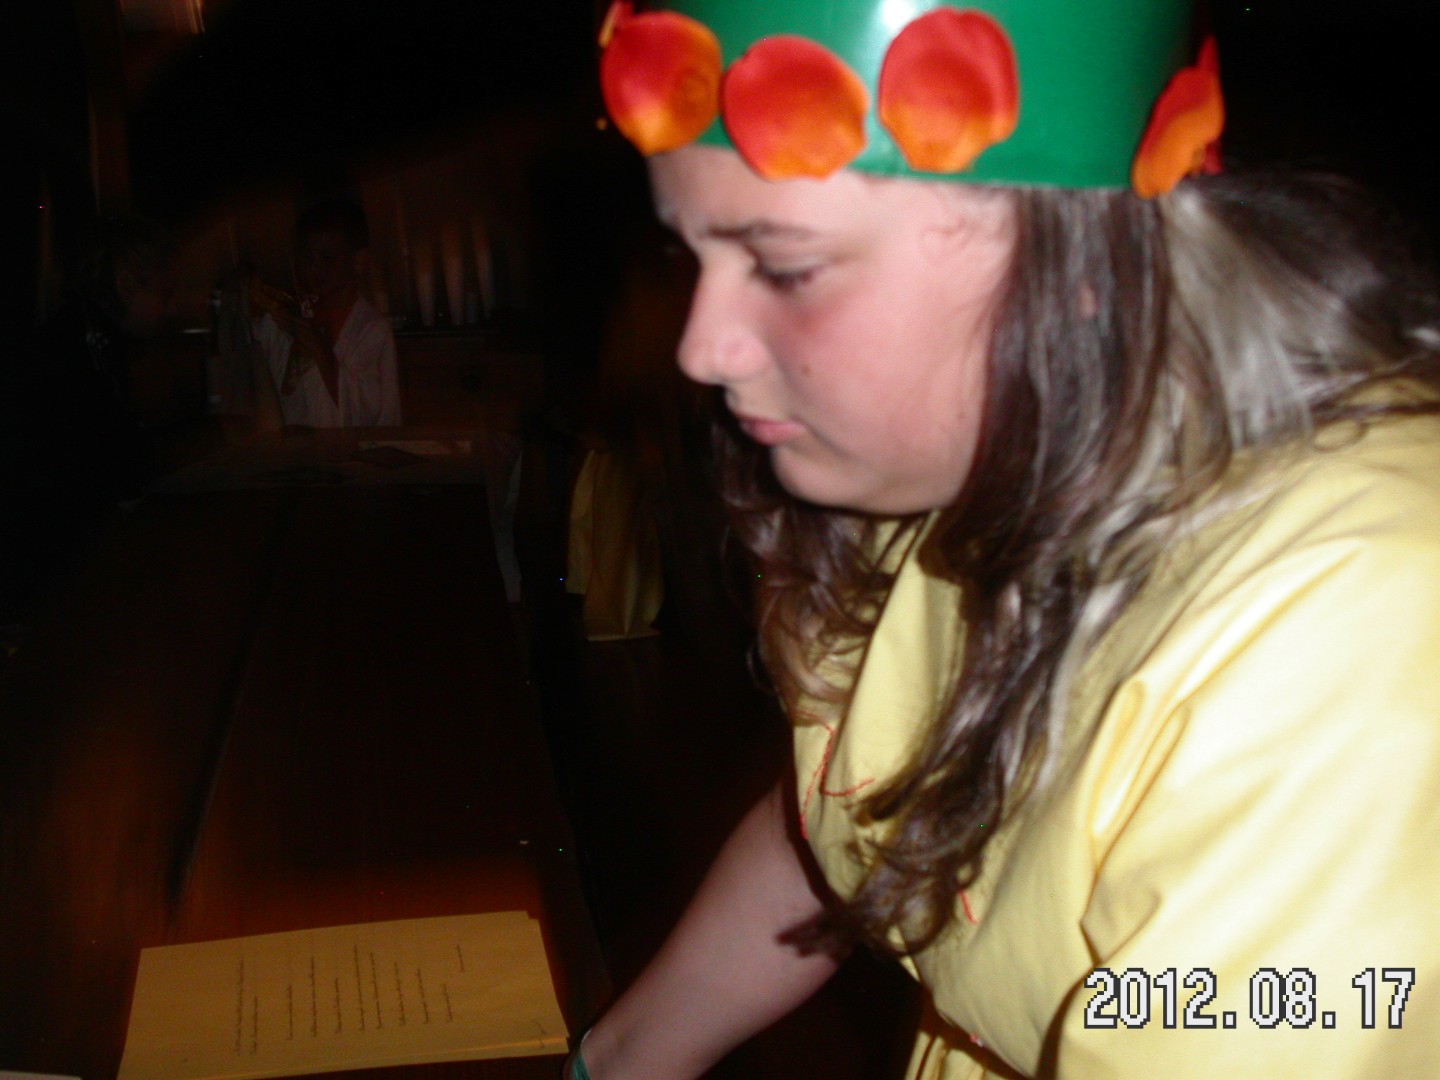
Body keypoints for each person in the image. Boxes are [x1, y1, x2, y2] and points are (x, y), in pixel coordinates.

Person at [568, 1, 1440, 1077]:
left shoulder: (1353, 634)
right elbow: (844, 823)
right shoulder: (963, 463)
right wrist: (608, 1063)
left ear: (1076, 258)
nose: (702, 348)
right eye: (689, 253)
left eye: (786, 267)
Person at [1, 216, 173, 626]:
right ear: (127, 284)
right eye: (165, 293)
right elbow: (121, 460)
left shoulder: (84, 333)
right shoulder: (82, 347)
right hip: (36, 572)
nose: (172, 308)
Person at [252, 198, 402, 427]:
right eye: (308, 259)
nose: (315, 268)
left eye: (326, 258)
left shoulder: (372, 329)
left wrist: (320, 350)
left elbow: (371, 411)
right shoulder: (287, 319)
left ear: (357, 261)